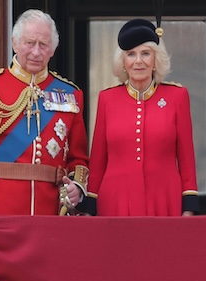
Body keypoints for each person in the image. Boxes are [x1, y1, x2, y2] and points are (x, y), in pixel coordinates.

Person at [0, 9, 88, 216]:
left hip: (50, 211)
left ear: (53, 49)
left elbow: (78, 158)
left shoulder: (71, 94)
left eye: (43, 45)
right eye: (29, 43)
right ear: (14, 43)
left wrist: (76, 187)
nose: (36, 52)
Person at [85, 19, 199, 216]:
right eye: (131, 54)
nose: (138, 61)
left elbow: (187, 158)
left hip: (164, 199)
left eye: (145, 53)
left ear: (156, 60)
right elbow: (97, 160)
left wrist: (188, 206)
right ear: (123, 62)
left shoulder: (177, 97)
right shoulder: (107, 99)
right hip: (115, 201)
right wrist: (90, 206)